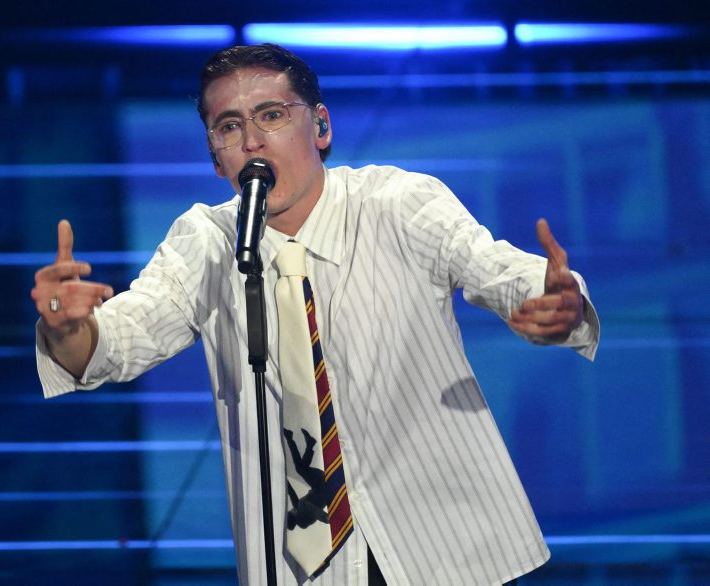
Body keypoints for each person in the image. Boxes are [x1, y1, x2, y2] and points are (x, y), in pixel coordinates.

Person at [31, 43, 600, 586]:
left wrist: (553, 299)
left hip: (450, 551)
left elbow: (493, 267)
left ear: (321, 126)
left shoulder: (397, 204)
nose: (252, 141)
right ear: (215, 156)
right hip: (301, 571)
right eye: (229, 127)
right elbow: (118, 341)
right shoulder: (207, 242)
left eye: (271, 115)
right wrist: (67, 327)